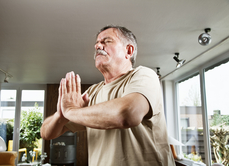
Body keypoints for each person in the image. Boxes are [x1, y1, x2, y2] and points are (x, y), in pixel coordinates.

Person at [41, 25, 175, 166]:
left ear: (128, 51)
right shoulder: (92, 93)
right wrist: (61, 115)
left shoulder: (144, 75)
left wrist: (71, 111)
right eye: (97, 43)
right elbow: (46, 132)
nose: (98, 46)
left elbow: (128, 114)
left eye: (107, 41)